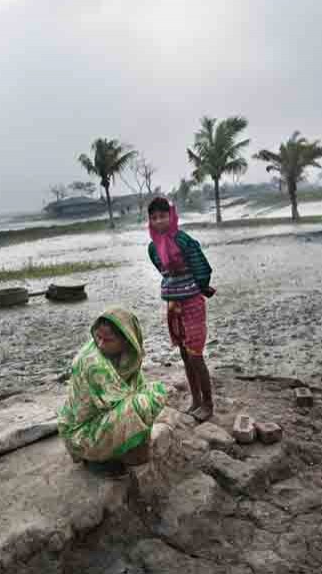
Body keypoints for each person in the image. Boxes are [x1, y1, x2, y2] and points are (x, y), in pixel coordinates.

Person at [58, 307, 166, 473]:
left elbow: (136, 387)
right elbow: (127, 405)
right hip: (81, 434)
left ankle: (118, 452)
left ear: (127, 340)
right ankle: (97, 456)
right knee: (148, 400)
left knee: (146, 394)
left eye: (107, 340)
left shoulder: (127, 356)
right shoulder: (94, 364)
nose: (100, 344)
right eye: (98, 337)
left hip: (97, 419)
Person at [147, 197, 217, 422]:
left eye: (163, 216)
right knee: (185, 354)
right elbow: (163, 272)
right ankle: (195, 399)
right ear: (150, 220)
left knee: (196, 354)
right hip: (173, 304)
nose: (159, 221)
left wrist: (202, 287)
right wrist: (177, 287)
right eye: (154, 217)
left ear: (171, 216)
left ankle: (208, 404)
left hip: (192, 303)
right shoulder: (153, 247)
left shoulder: (184, 240)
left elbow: (201, 266)